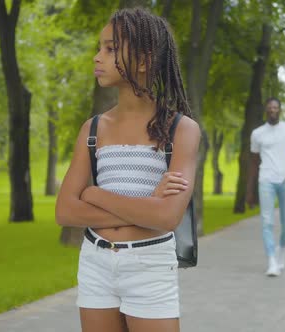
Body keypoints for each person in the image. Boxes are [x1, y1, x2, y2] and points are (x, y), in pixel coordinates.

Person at [55, 7, 200, 332]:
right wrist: (146, 208)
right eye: (99, 47)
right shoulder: (92, 129)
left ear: (144, 60)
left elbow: (166, 218)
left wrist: (94, 195)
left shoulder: (181, 130)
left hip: (149, 264)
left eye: (110, 49)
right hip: (95, 261)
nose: (97, 57)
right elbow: (65, 211)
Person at [246, 97, 285, 277]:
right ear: (266, 111)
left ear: (280, 110)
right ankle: (271, 261)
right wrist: (250, 191)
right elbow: (254, 163)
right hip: (266, 181)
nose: (272, 110)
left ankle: (281, 251)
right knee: (267, 222)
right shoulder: (257, 134)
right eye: (269, 108)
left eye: (275, 108)